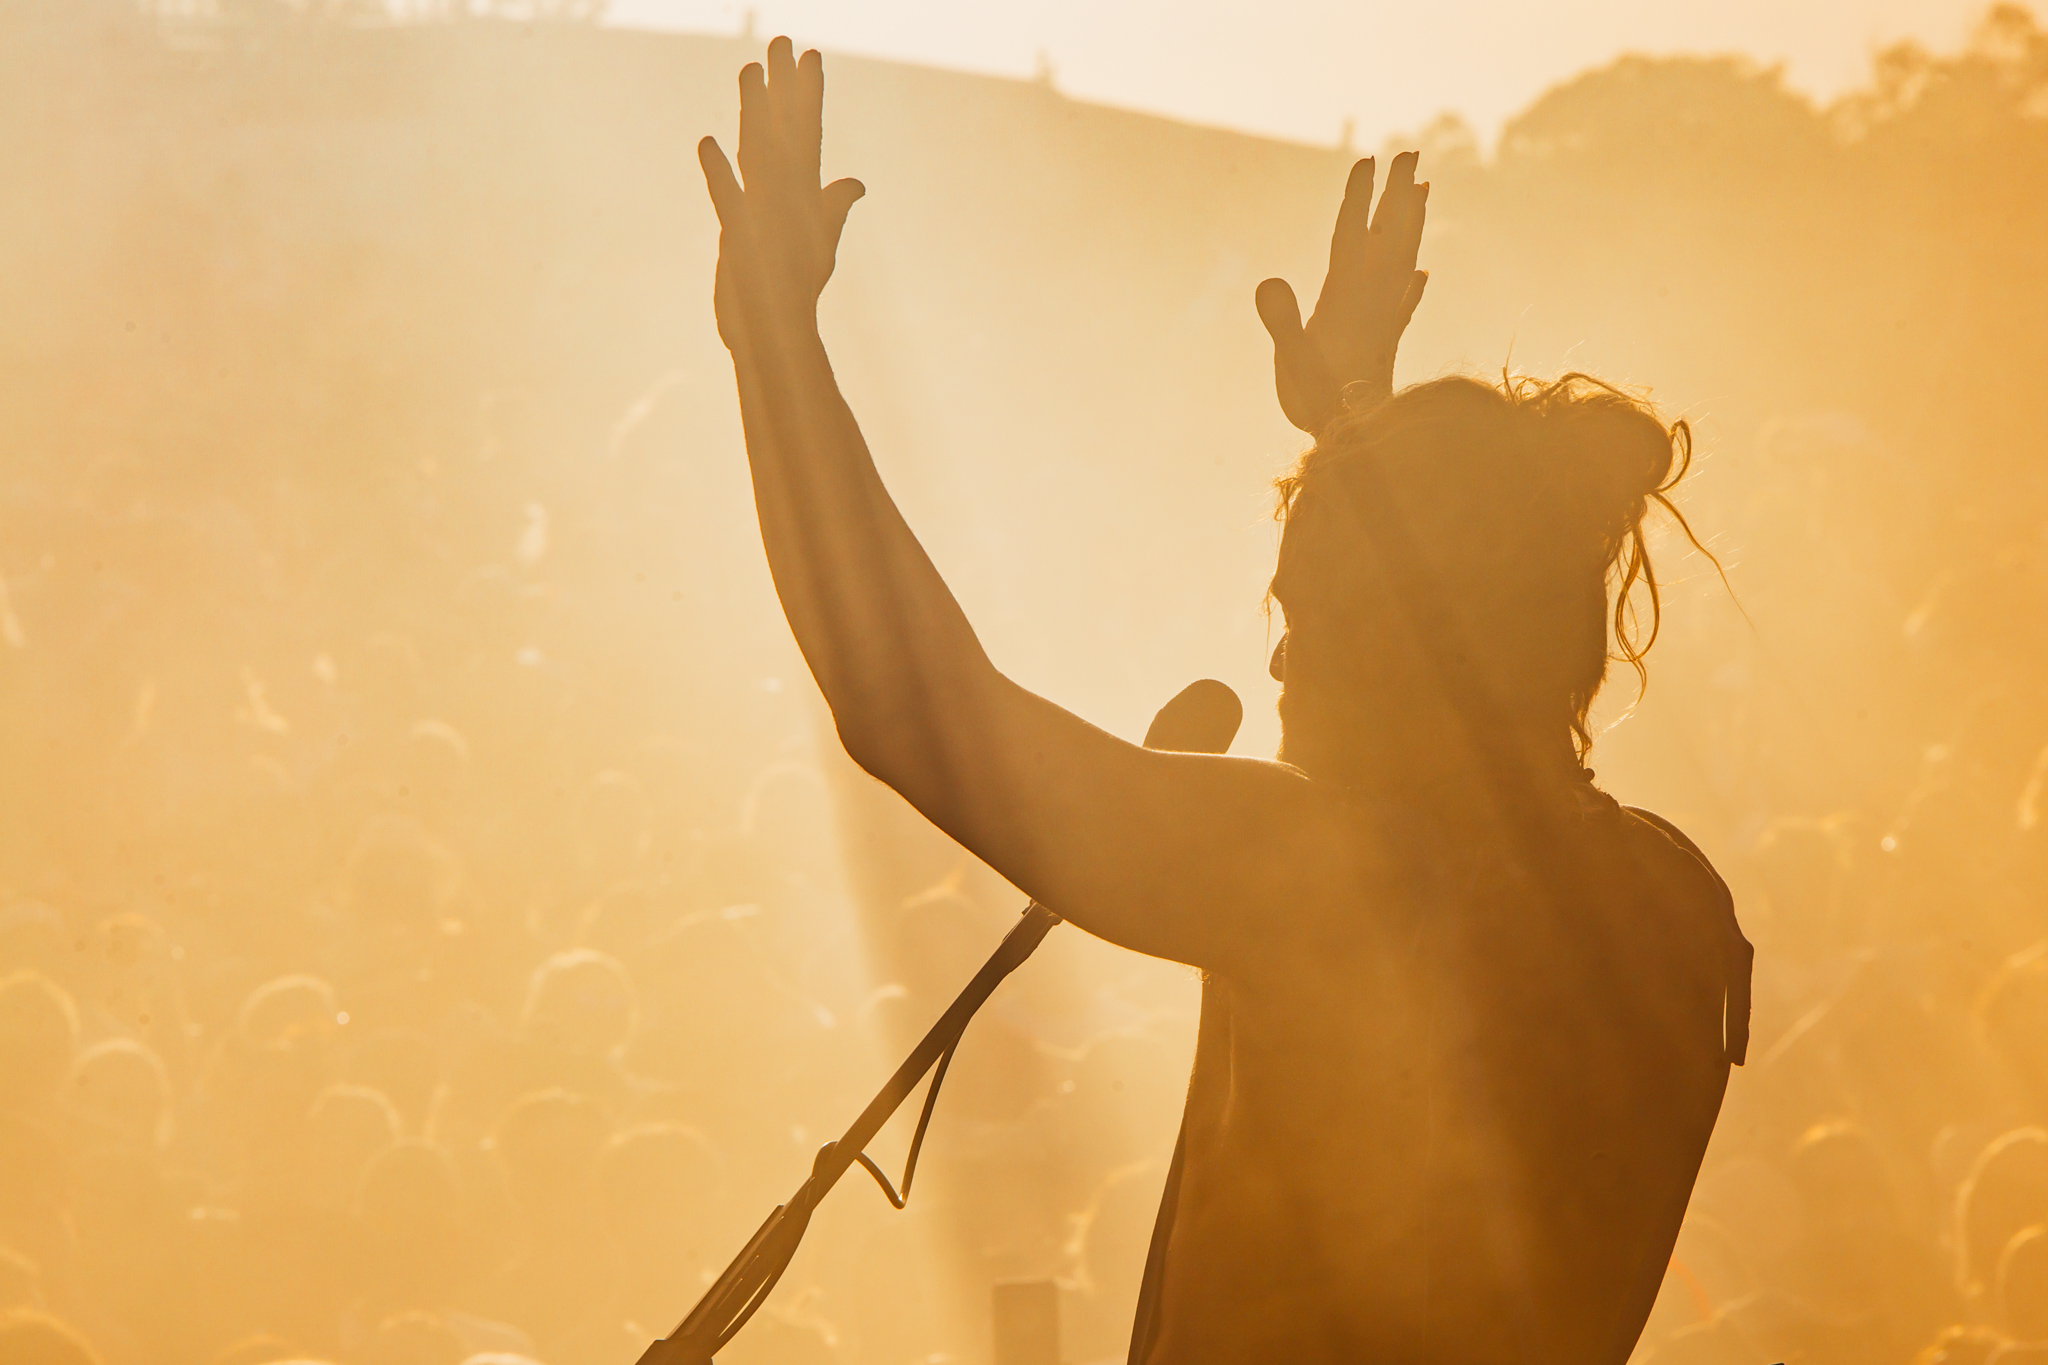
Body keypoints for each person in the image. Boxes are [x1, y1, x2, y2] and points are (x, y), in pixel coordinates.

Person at [696, 37, 1750, 1364]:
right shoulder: (1674, 906)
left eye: (1304, 624)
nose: (1278, 668)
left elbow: (912, 706)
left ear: (1391, 651)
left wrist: (776, 346)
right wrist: (1356, 426)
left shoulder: (1344, 880)